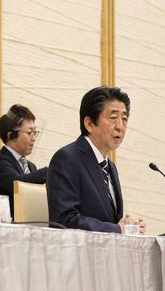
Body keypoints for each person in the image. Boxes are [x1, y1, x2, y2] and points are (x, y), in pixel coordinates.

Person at [47, 86, 146, 234]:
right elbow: (64, 220)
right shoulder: (67, 158)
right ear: (89, 124)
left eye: (124, 119)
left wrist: (126, 225)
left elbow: (108, 221)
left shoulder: (110, 166)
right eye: (113, 118)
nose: (120, 126)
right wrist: (117, 229)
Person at [0, 104, 47, 219]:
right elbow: (18, 184)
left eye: (35, 132)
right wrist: (50, 170)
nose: (34, 138)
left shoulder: (31, 166)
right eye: (29, 133)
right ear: (11, 135)